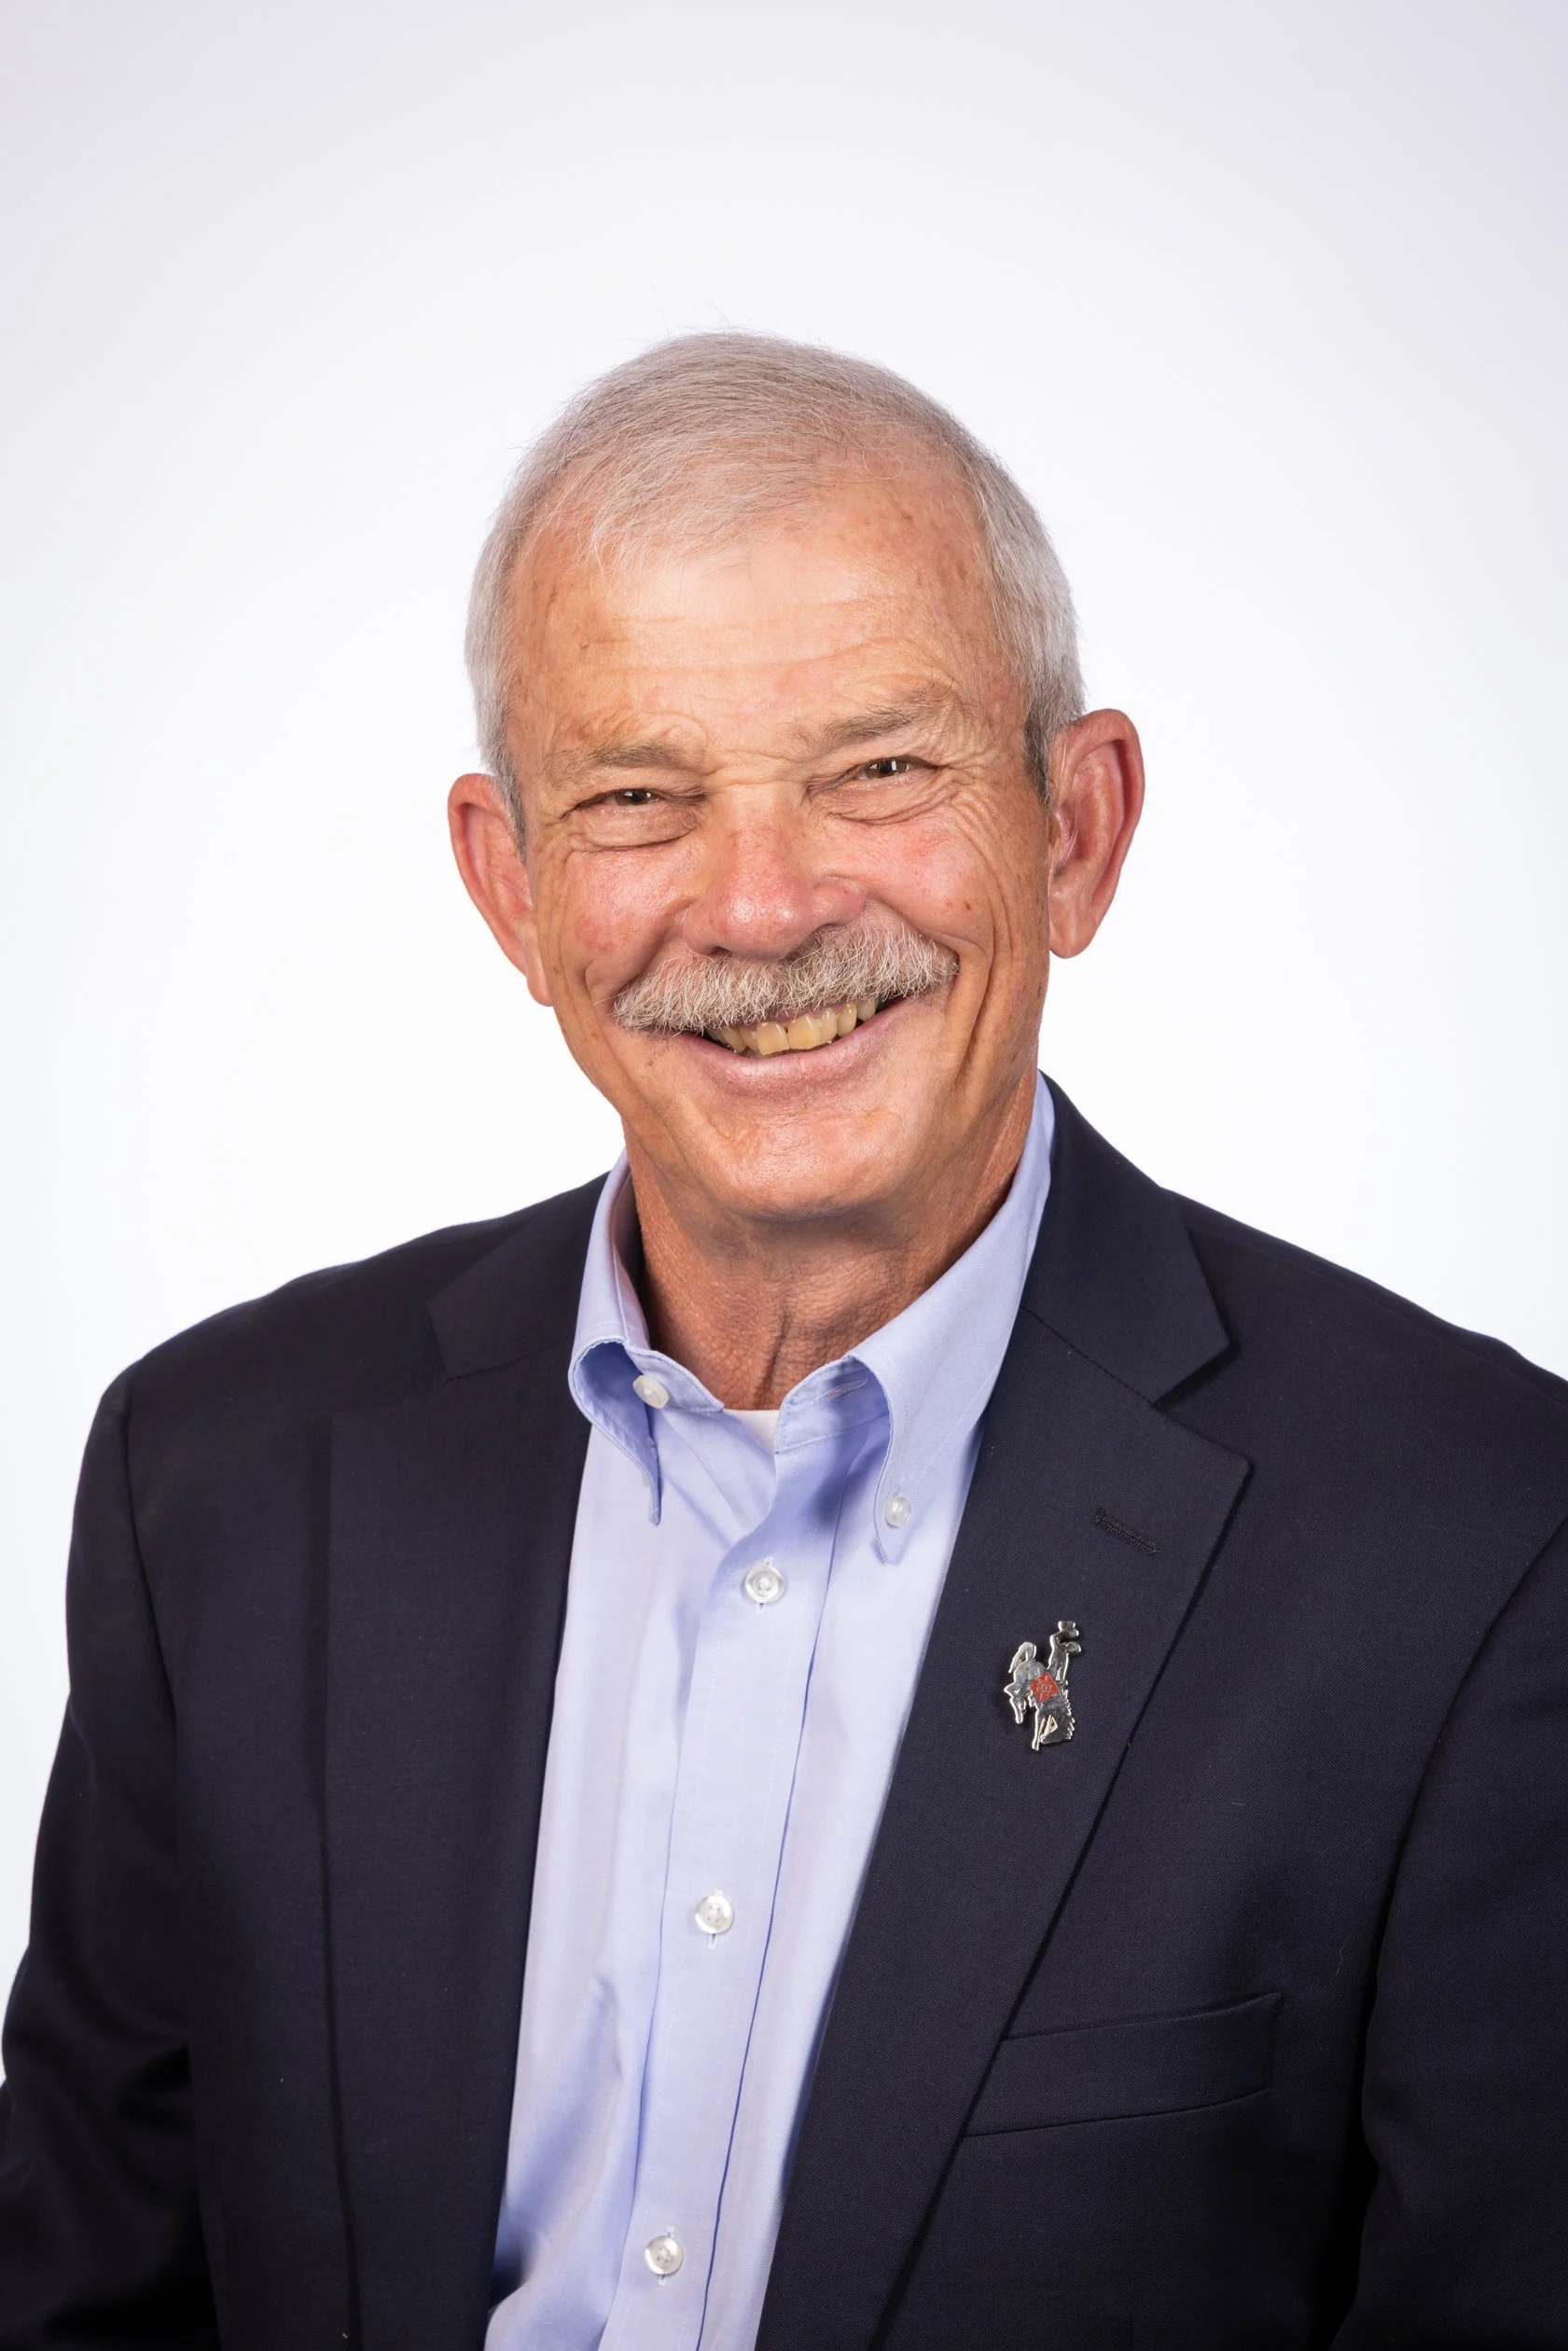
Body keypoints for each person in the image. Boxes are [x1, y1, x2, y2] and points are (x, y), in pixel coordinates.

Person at [1, 334, 1564, 2351]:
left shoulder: (1476, 1554)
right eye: (639, 795)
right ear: (513, 885)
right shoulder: (214, 1484)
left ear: (1076, 829)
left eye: (880, 768)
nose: (758, 905)